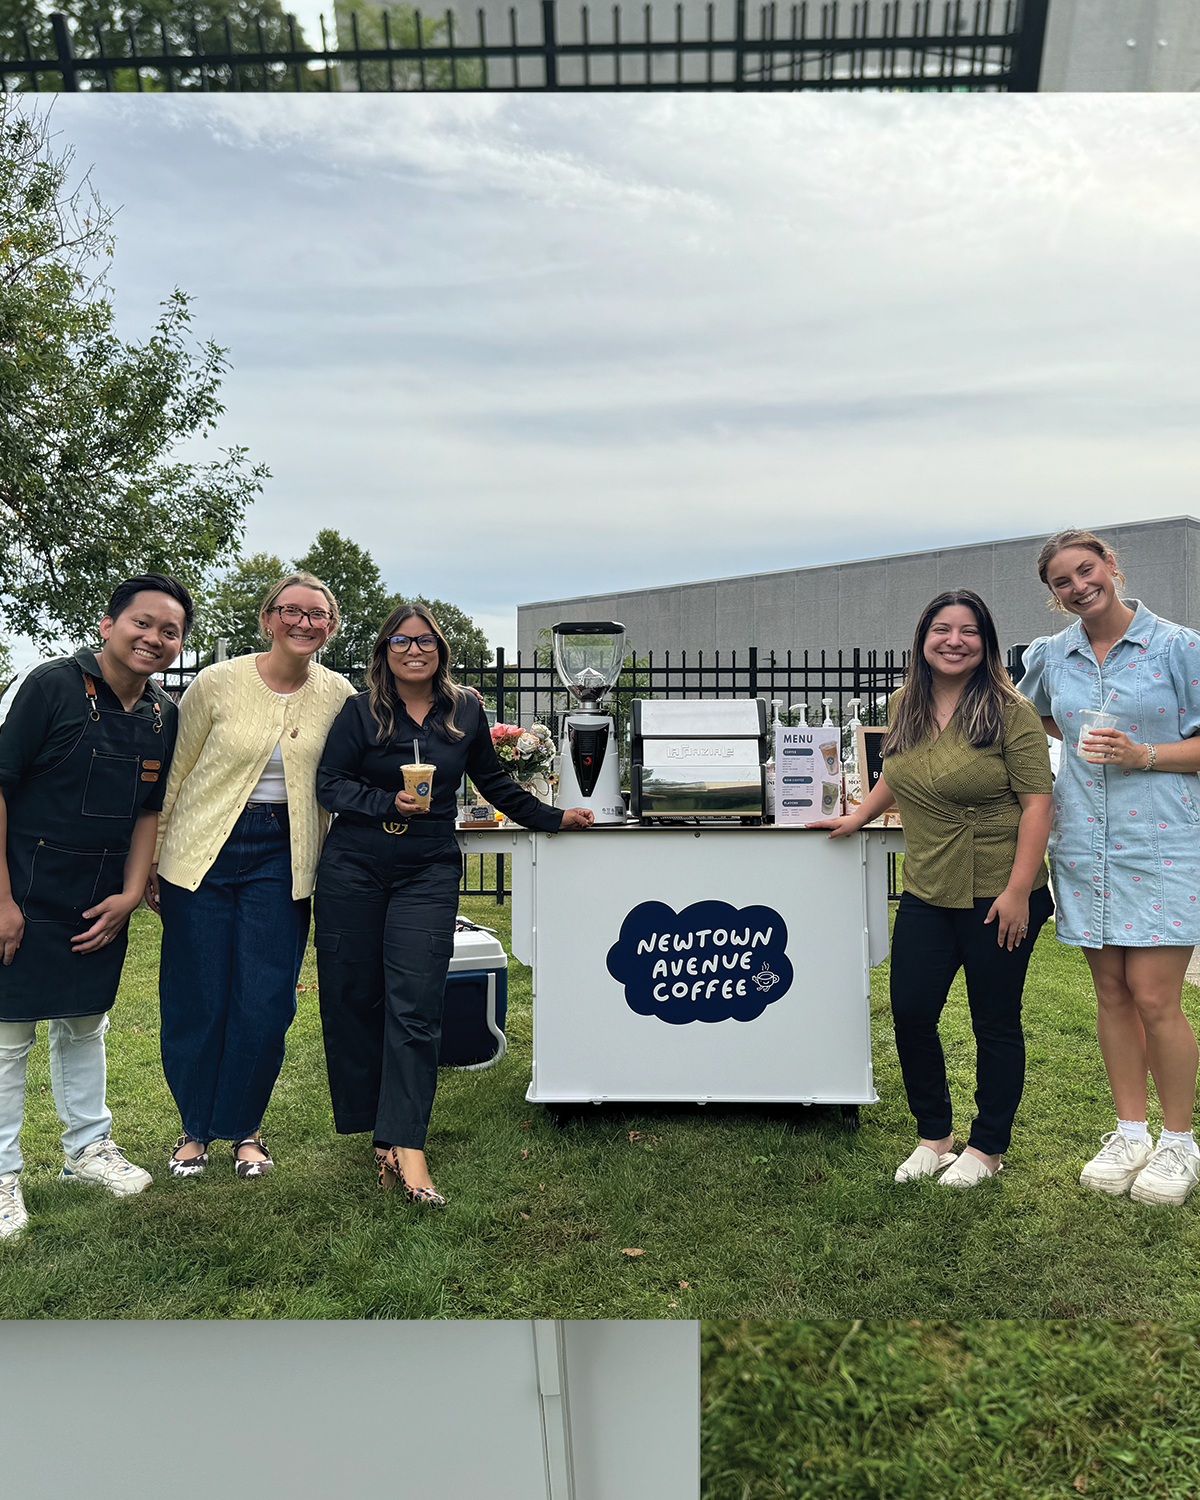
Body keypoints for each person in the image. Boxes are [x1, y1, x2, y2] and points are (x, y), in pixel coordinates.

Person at [314, 601, 594, 1203]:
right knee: (354, 998)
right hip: (356, 866)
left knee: (416, 1002)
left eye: (425, 641)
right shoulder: (359, 712)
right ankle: (380, 1134)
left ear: (440, 649)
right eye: (400, 641)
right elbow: (329, 783)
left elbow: (491, 782)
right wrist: (387, 802)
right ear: (382, 652)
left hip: (427, 868)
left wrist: (554, 817)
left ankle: (408, 1145)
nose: (413, 650)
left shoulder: (465, 707)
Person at [811, 588, 1054, 1187]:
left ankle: (988, 1148)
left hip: (998, 888)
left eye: (968, 630)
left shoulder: (1009, 710)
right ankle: (935, 1137)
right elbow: (898, 774)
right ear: (922, 639)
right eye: (942, 629)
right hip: (928, 882)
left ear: (986, 641)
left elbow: (1037, 804)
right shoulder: (905, 704)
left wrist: (1020, 889)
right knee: (912, 1010)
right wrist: (857, 817)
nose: (954, 640)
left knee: (993, 1020)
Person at [0, 574, 193, 1239]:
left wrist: (131, 894)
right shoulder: (50, 685)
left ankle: (87, 1149)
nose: (155, 639)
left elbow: (148, 811)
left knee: (86, 1024)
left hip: (99, 896)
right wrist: (1, 900)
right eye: (143, 623)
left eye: (169, 631)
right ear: (107, 625)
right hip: (22, 885)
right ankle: (0, 1175)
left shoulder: (162, 714)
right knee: (9, 1035)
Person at [148, 573, 355, 1180]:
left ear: (330, 627)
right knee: (198, 995)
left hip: (283, 853)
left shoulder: (339, 695)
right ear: (267, 619)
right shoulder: (217, 683)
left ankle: (244, 1128)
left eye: (317, 614)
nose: (303, 622)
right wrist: (159, 858)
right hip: (203, 850)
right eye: (290, 611)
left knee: (264, 1000)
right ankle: (194, 1129)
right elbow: (174, 776)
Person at [1018, 529, 1200, 1206]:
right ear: (1053, 595)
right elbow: (1031, 716)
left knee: (1157, 999)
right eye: (1062, 581)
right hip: (1086, 843)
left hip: (1164, 843)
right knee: (1113, 995)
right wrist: (1082, 740)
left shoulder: (1179, 647)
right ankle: (1130, 1132)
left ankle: (1179, 1142)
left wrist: (1144, 754)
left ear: (1111, 568)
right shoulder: (1049, 655)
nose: (1077, 587)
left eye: (1085, 570)